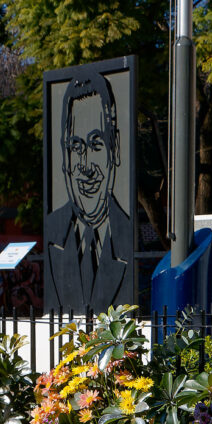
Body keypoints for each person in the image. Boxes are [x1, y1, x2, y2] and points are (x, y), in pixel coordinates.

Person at [44, 71, 132, 311]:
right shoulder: (53, 231)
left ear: (114, 149)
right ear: (64, 156)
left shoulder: (128, 236)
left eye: (96, 145)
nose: (84, 166)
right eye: (75, 146)